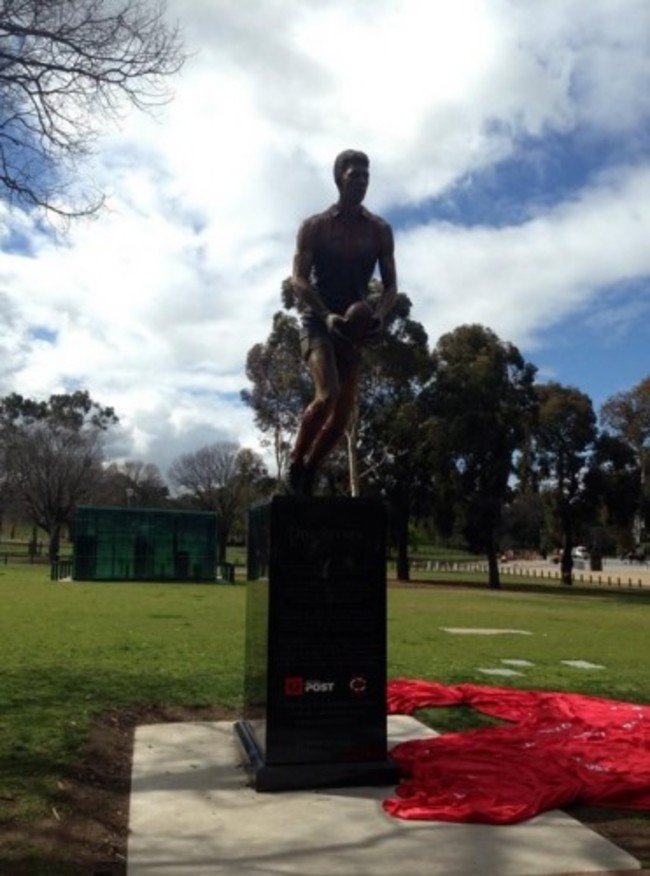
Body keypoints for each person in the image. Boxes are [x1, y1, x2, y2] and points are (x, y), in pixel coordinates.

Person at [286, 149, 398, 496]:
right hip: (319, 321)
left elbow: (391, 287)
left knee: (343, 415)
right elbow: (298, 280)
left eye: (366, 176)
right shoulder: (314, 227)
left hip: (353, 327)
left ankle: (310, 470)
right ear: (339, 179)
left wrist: (379, 316)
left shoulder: (380, 230)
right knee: (328, 395)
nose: (362, 181)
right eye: (354, 175)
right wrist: (325, 314)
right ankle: (295, 462)